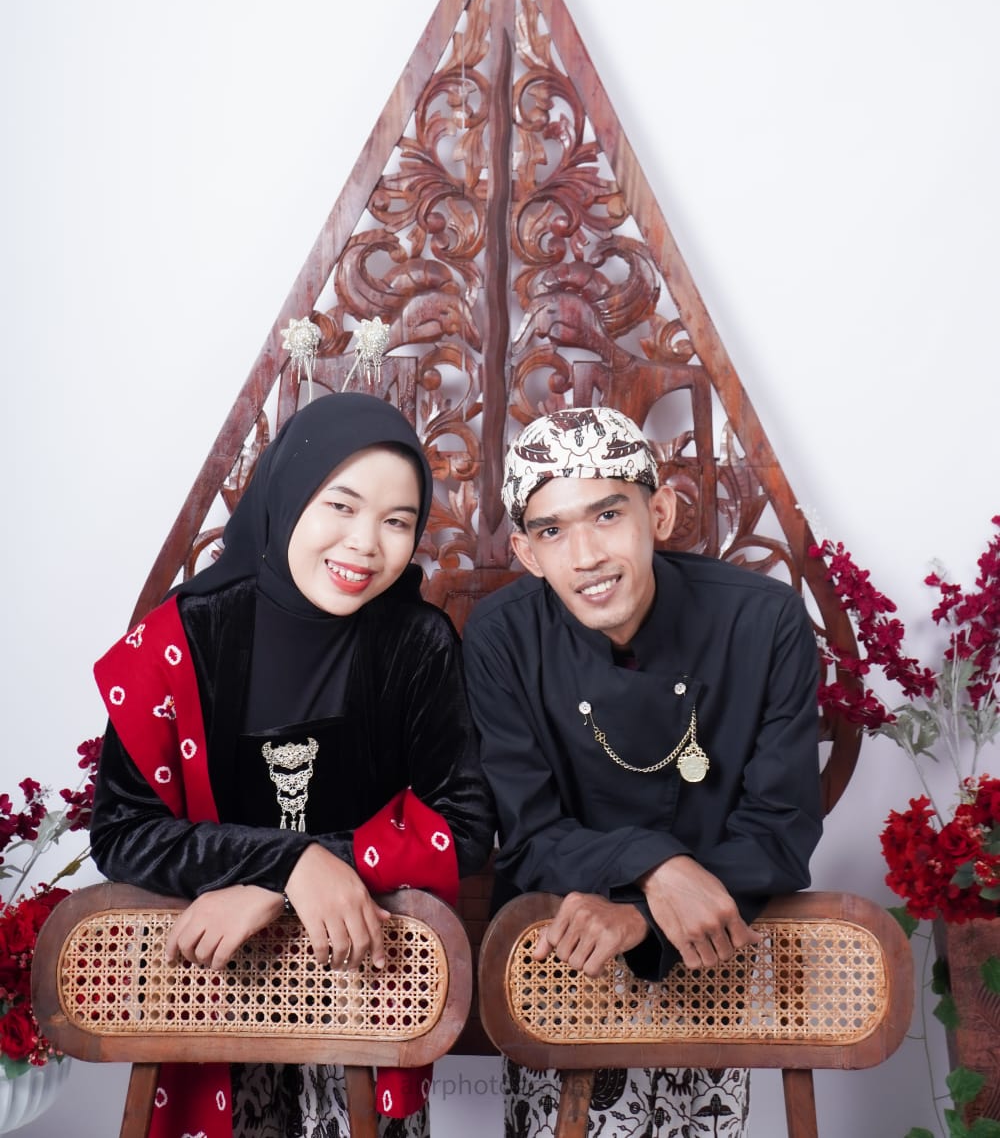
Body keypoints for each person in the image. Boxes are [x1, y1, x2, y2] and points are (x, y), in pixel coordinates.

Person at [90, 392, 495, 1138]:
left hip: (367, 988)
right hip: (216, 988)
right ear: (287, 494)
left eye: (397, 521)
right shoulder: (185, 638)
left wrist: (280, 881)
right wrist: (293, 864)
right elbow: (123, 831)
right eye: (341, 506)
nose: (365, 545)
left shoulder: (417, 642)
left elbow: (463, 828)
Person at [462, 406, 823, 1138]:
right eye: (552, 531)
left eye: (607, 515)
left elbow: (781, 832)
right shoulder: (501, 635)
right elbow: (528, 837)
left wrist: (640, 909)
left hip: (710, 951)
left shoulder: (765, 622)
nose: (586, 556)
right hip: (564, 957)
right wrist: (657, 866)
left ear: (658, 513)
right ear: (527, 554)